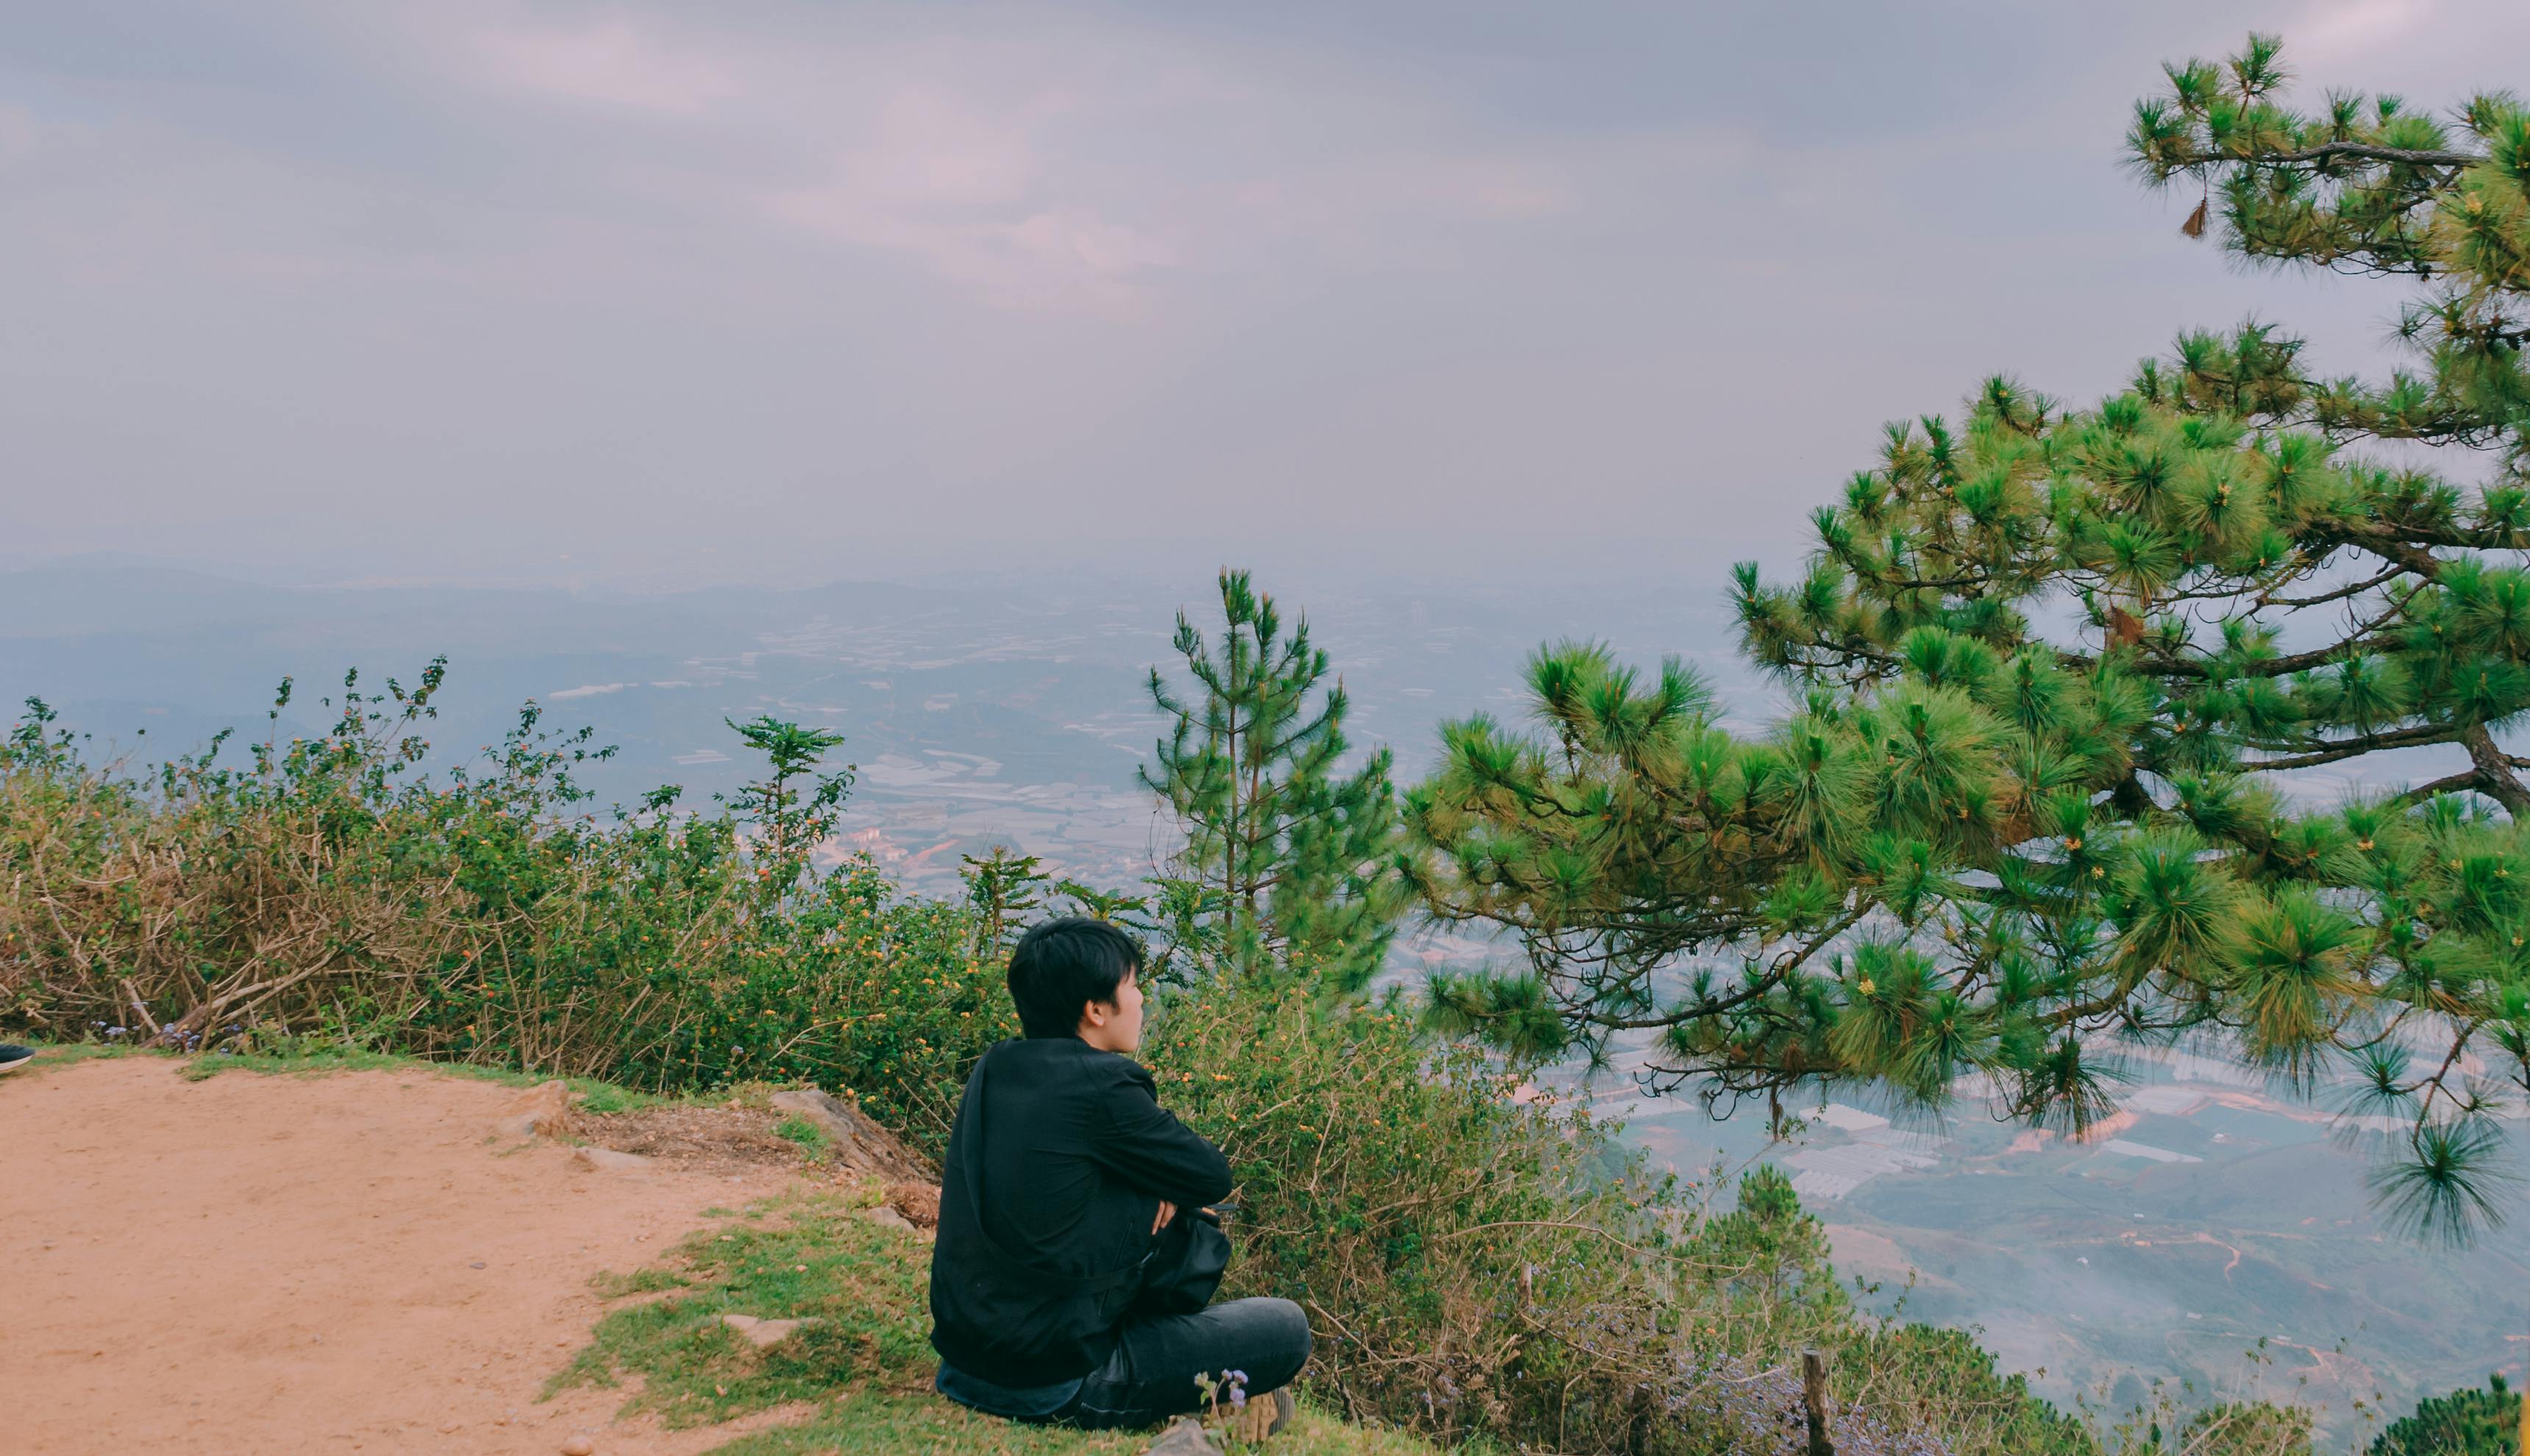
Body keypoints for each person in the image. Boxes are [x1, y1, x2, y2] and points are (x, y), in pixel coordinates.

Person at [930, 917, 1310, 1435]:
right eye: (1133, 985)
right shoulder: (1103, 1086)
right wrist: (1162, 1183)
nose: (1140, 999)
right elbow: (1211, 1175)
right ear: (1095, 1010)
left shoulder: (996, 1067)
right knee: (1285, 1328)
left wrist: (1151, 1184)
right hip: (1060, 1382)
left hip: (967, 1365)